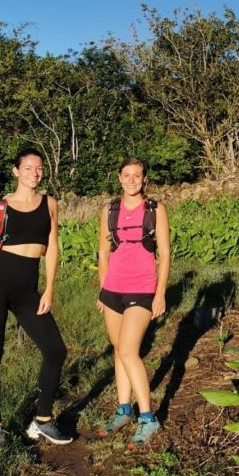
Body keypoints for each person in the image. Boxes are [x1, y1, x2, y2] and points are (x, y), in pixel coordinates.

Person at [0, 149, 71, 448]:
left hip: (28, 289)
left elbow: (52, 248)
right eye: (28, 168)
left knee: (55, 350)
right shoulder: (0, 208)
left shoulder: (49, 204)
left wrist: (50, 288)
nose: (34, 172)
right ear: (16, 171)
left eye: (39, 168)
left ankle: (42, 420)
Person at [96, 158, 170, 447]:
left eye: (136, 176)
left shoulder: (155, 210)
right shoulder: (109, 210)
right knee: (118, 350)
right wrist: (103, 289)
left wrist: (160, 293)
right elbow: (103, 251)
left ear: (144, 179)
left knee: (129, 350)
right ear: (119, 178)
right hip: (112, 289)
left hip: (142, 290)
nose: (131, 180)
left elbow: (164, 253)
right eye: (126, 175)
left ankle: (148, 418)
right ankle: (123, 409)